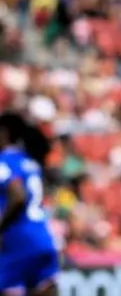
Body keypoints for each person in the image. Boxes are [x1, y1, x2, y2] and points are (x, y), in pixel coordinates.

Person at [0, 113, 59, 296]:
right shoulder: (30, 162)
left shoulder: (3, 161)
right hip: (43, 237)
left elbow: (18, 195)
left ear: (4, 133)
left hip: (18, 240)